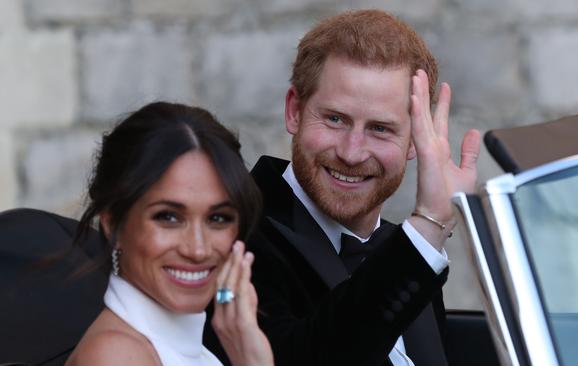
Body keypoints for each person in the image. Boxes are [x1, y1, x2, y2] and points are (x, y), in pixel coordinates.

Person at [203, 9, 481, 366]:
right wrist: (428, 227)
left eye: (380, 128)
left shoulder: (408, 251)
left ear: (415, 141)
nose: (352, 152)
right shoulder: (232, 236)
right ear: (294, 112)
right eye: (335, 119)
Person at [65, 102, 274, 366]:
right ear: (113, 225)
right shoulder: (116, 356)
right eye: (169, 217)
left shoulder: (192, 347)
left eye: (217, 218)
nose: (197, 249)